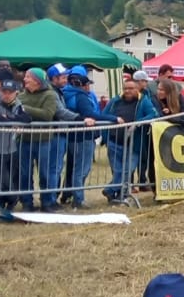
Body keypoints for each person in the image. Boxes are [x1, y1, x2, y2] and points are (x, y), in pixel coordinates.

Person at [0, 70, 32, 210]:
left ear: (16, 93)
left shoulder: (18, 104)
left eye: (10, 92)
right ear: (0, 91)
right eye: (4, 91)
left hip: (11, 148)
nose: (6, 95)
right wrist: (13, 120)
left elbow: (27, 119)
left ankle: (8, 202)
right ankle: (5, 201)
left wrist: (10, 119)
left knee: (10, 177)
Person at [101, 73, 153, 203]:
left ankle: (110, 190)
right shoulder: (115, 101)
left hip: (134, 144)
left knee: (127, 170)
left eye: (131, 88)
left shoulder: (144, 101)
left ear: (137, 89)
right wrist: (114, 120)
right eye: (125, 88)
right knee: (118, 170)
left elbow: (153, 114)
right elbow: (103, 115)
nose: (128, 91)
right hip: (115, 141)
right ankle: (119, 195)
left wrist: (138, 123)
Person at [17, 68, 62, 212]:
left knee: (44, 173)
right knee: (24, 173)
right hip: (24, 140)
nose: (25, 79)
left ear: (37, 80)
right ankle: (26, 203)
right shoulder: (21, 96)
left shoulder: (50, 95)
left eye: (28, 77)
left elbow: (47, 115)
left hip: (43, 140)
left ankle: (47, 202)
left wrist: (25, 109)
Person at [59, 66, 100, 205]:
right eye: (87, 84)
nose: (88, 87)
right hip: (83, 136)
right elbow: (92, 114)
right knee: (81, 169)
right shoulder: (80, 96)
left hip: (71, 136)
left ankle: (68, 194)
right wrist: (112, 118)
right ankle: (78, 198)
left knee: (72, 167)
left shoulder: (65, 93)